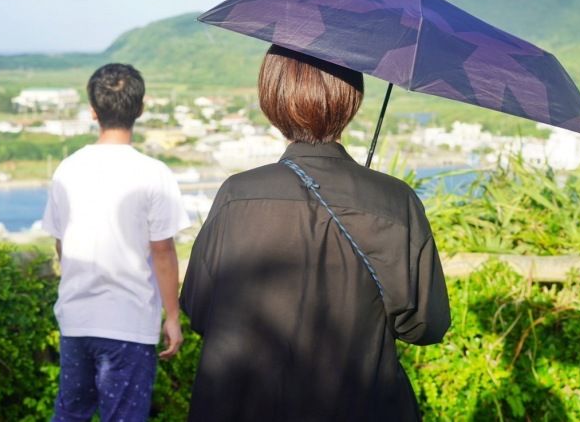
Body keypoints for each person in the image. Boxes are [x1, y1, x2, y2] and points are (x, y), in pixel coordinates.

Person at [181, 45, 450, 421]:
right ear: (351, 98)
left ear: (271, 98)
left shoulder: (235, 196)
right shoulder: (395, 201)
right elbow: (426, 325)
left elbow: (198, 309)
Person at [42, 63, 191, 422]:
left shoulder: (68, 168)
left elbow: (61, 245)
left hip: (76, 319)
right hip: (129, 321)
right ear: (140, 108)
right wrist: (172, 316)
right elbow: (163, 253)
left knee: (71, 414)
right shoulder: (154, 173)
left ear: (93, 110)